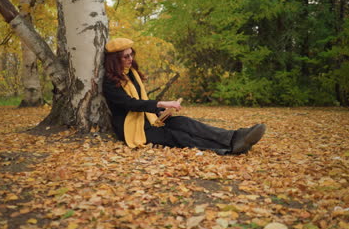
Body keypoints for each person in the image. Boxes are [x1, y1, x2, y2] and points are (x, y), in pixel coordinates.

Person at [103, 38, 265, 155]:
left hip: (150, 119)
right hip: (132, 128)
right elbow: (130, 104)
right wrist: (162, 103)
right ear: (114, 60)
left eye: (131, 55)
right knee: (177, 136)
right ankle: (231, 148)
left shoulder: (132, 74)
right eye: (126, 56)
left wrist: (161, 113)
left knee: (185, 122)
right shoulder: (110, 81)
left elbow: (142, 101)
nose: (130, 59)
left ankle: (235, 136)